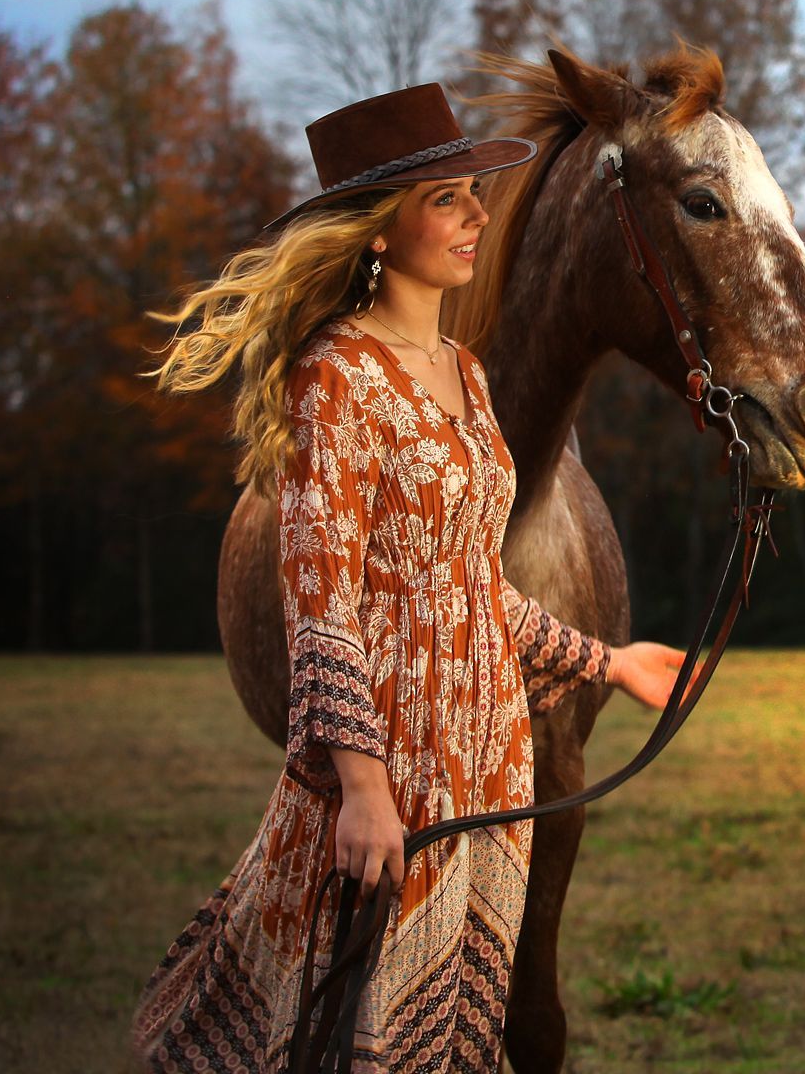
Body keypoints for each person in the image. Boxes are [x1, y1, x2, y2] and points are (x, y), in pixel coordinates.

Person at [127, 83, 687, 1072]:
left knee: (463, 1035)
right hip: (394, 768)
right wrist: (362, 788)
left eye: (475, 193)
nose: (477, 214)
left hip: (487, 766)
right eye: (446, 199)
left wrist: (612, 661)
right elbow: (320, 610)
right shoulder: (333, 380)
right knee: (353, 1041)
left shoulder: (467, 377)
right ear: (377, 233)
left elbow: (469, 591)